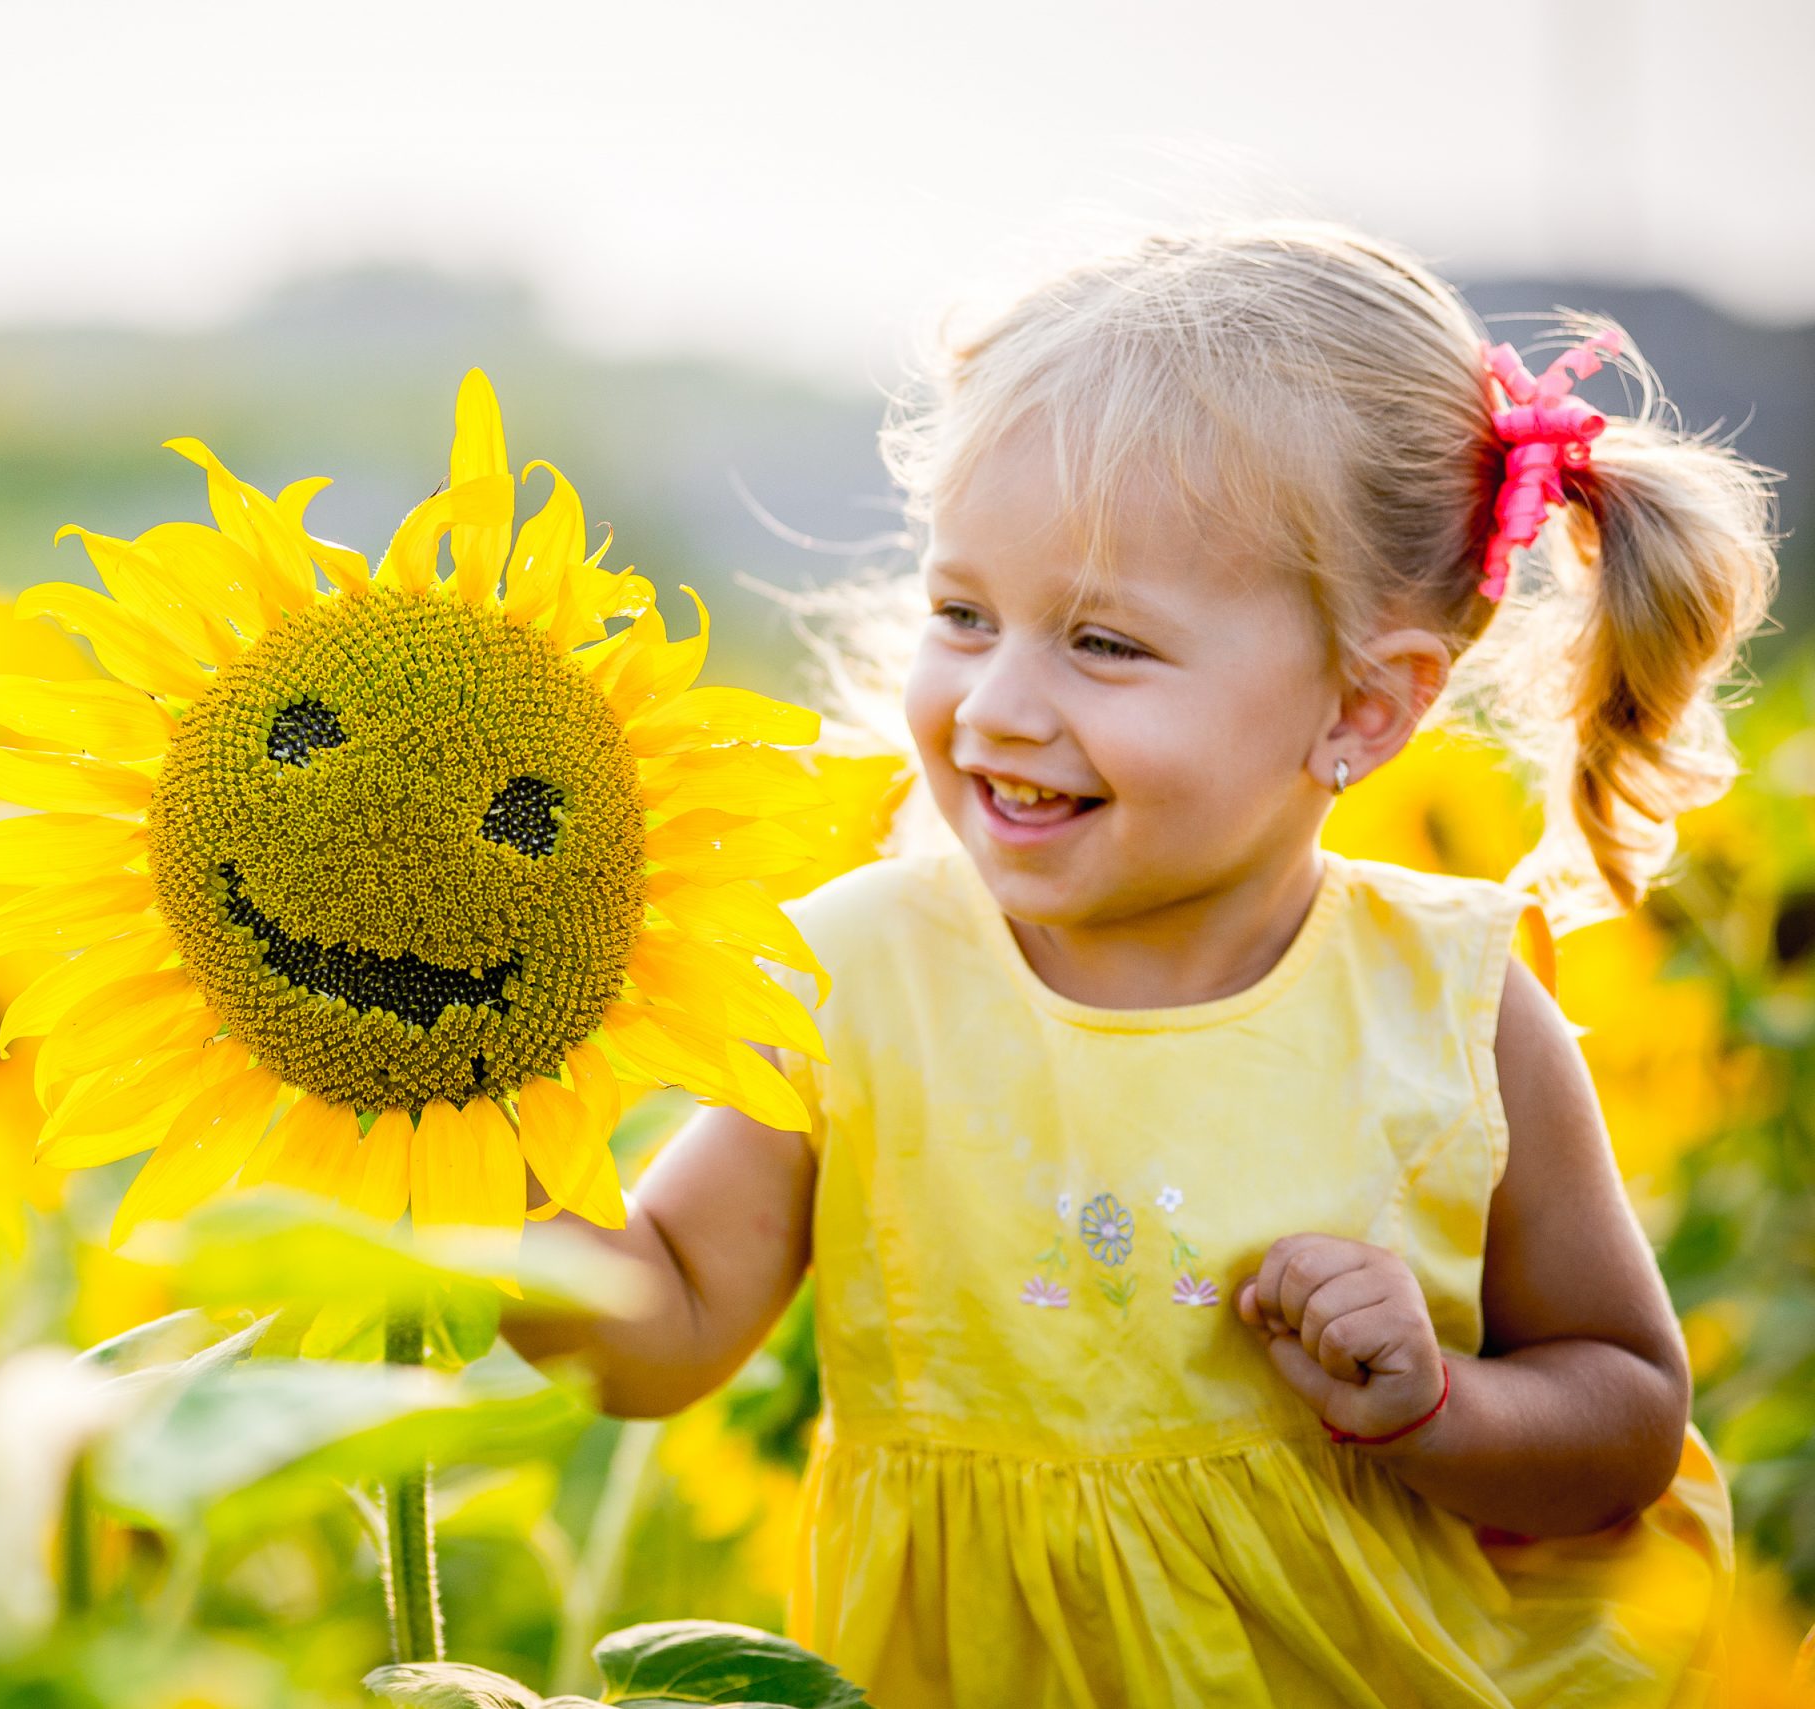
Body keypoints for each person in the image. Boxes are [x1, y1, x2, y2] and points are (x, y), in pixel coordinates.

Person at [499, 218, 1782, 1706]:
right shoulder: (860, 970)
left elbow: (1624, 1416)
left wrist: (1439, 1404)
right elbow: (656, 1334)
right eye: (963, 615)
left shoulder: (1451, 1007)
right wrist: (486, 1122)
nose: (997, 706)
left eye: (1104, 643)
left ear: (1364, 708)